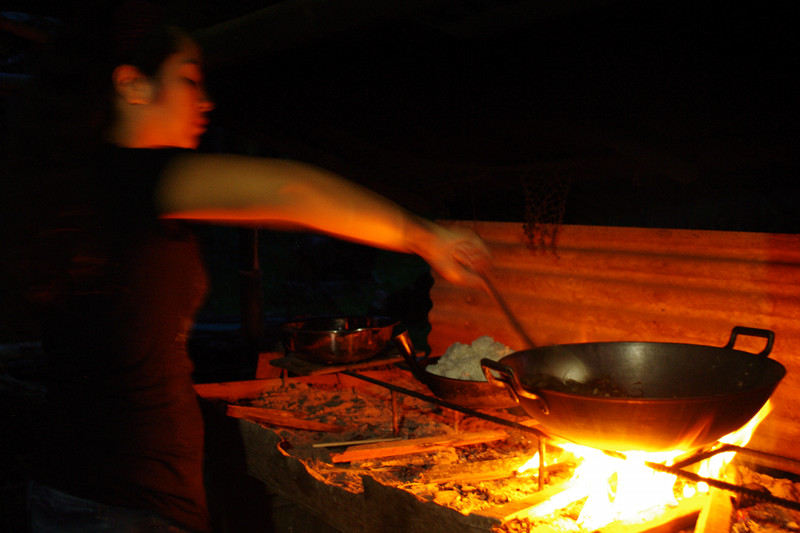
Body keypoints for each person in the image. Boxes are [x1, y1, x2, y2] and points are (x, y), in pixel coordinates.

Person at [2, 2, 491, 532]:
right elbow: (289, 190)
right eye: (189, 80)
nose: (206, 101)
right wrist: (426, 235)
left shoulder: (91, 187)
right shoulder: (132, 177)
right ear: (133, 85)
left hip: (84, 489)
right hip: (122, 504)